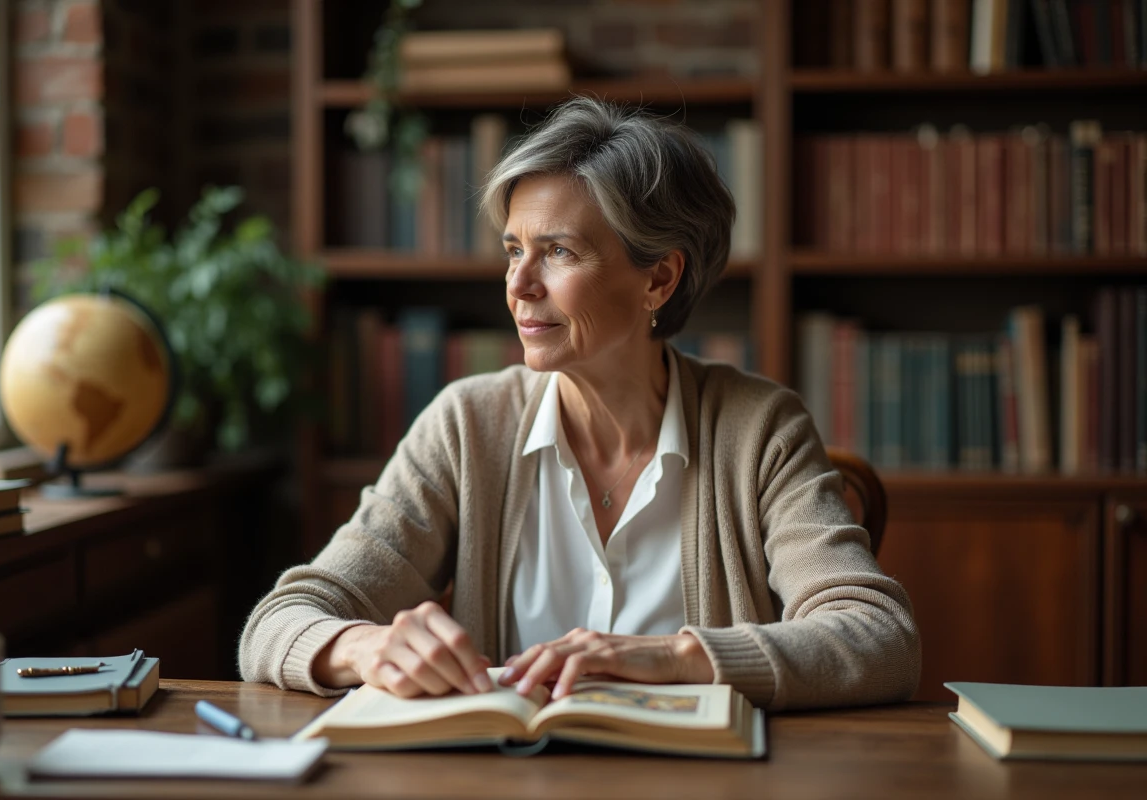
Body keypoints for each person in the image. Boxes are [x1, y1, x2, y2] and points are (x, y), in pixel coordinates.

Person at [239, 97, 920, 710]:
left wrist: (677, 658)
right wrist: (363, 648)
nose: (520, 286)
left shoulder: (758, 430)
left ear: (658, 277)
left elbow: (879, 637)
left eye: (558, 252)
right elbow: (280, 622)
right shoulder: (466, 424)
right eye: (513, 252)